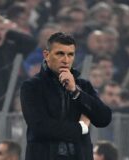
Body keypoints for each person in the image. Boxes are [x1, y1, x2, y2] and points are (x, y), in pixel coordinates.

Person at [20, 32, 112, 160]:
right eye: (60, 54)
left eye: (70, 54)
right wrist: (81, 128)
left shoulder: (82, 86)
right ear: (46, 55)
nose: (66, 60)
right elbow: (40, 127)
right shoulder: (32, 86)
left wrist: (76, 92)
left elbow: (104, 118)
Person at [0, 14, 37, 112]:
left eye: (1, 29)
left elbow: (31, 43)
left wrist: (10, 32)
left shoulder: (10, 47)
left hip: (8, 98)